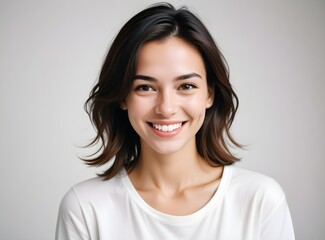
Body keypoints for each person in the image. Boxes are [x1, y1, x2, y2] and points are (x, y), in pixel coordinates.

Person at [56, 3, 295, 240]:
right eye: (145, 87)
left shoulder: (260, 201)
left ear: (209, 94)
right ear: (122, 96)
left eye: (186, 86)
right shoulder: (85, 208)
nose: (166, 108)